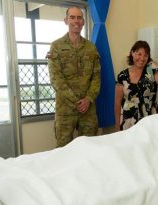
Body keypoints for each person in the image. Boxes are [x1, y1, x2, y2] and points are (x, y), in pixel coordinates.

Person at [47, 6, 101, 147]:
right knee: (63, 151)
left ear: (83, 21)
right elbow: (56, 79)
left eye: (79, 17)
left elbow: (96, 77)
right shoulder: (56, 46)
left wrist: (88, 99)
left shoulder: (91, 48)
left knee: (89, 148)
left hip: (88, 109)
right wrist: (77, 101)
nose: (76, 21)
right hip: (65, 110)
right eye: (72, 17)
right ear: (66, 20)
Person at [115, 40, 158, 131]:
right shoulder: (122, 75)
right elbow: (117, 101)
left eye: (146, 55)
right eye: (139, 54)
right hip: (128, 121)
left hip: (150, 119)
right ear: (132, 53)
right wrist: (117, 125)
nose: (142, 58)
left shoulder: (152, 69)